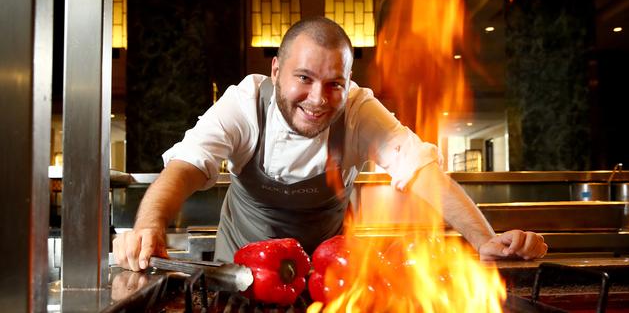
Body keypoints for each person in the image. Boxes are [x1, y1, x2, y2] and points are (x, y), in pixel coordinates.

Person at [113, 17, 547, 271]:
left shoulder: (359, 110)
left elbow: (422, 173)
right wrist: (152, 222)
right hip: (243, 269)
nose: (319, 99)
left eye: (334, 83)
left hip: (330, 270)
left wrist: (483, 237)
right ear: (277, 69)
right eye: (304, 78)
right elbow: (187, 165)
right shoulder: (244, 102)